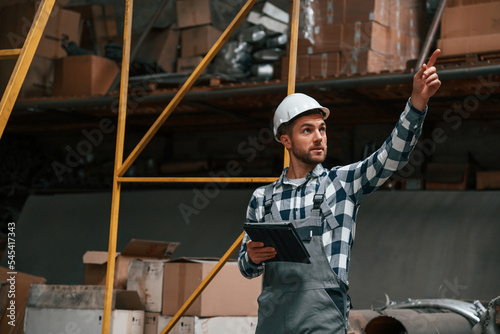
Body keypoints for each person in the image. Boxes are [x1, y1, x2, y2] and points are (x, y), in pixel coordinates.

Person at [238, 49, 442, 334]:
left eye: (322, 129)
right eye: (306, 130)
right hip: (273, 322)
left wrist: (417, 103)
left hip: (323, 322)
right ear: (286, 140)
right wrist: (252, 257)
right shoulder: (263, 199)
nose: (319, 137)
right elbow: (247, 269)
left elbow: (391, 156)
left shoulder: (342, 184)